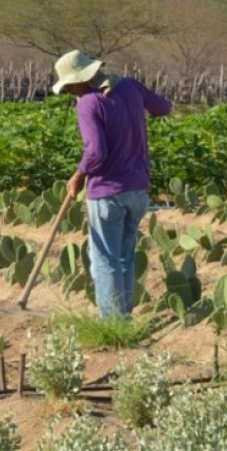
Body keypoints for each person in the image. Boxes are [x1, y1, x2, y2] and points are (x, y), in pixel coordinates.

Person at [53, 49, 172, 319]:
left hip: (107, 192)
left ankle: (112, 323)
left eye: (70, 85)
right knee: (125, 257)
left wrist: (78, 175)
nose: (70, 91)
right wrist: (131, 103)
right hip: (138, 191)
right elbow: (163, 107)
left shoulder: (88, 103)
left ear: (81, 80)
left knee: (105, 261)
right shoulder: (129, 86)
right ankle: (124, 318)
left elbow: (96, 153)